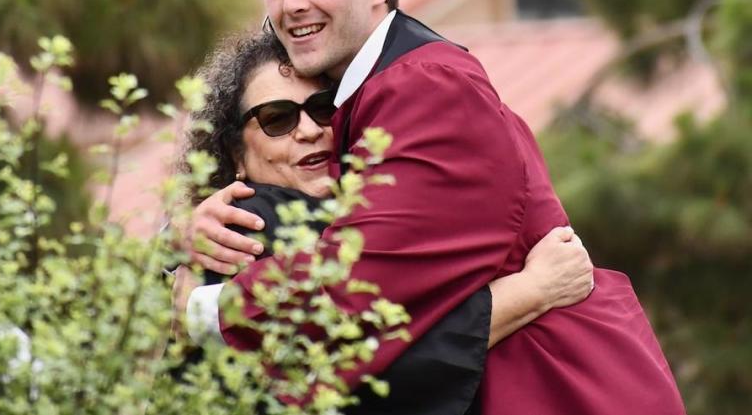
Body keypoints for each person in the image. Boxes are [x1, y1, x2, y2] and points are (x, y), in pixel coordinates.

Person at [180, 0, 686, 414]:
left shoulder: (427, 87)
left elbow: (366, 278)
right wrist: (186, 240)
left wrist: (202, 308)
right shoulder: (380, 89)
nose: (291, 2)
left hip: (558, 389)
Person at [175, 29, 593, 413]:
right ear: (234, 156)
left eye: (324, 109)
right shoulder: (248, 226)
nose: (308, 130)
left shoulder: (360, 220)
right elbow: (360, 374)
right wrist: (528, 293)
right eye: (277, 119)